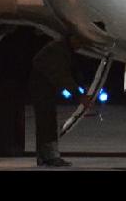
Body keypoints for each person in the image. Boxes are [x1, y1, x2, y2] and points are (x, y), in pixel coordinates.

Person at [28, 35, 91, 167]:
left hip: (43, 86)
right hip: (42, 87)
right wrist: (79, 95)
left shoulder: (62, 49)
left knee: (45, 120)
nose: (80, 48)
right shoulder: (59, 51)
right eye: (80, 44)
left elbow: (68, 73)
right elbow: (62, 76)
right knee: (47, 121)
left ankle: (43, 156)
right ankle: (50, 156)